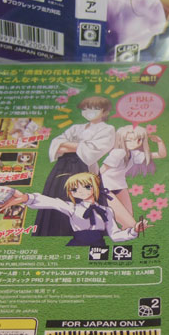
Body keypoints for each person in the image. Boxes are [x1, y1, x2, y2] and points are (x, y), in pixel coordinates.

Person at [0, 172, 148, 246]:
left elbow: (115, 235)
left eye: (86, 187)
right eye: (74, 189)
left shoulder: (107, 211)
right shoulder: (72, 208)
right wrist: (26, 197)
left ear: (94, 187)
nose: (81, 191)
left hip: (99, 248)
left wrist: (134, 231)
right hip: (76, 247)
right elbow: (50, 202)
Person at [36, 96, 115, 236]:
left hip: (84, 167)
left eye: (95, 109)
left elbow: (94, 149)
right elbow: (57, 144)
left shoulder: (107, 129)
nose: (89, 112)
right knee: (58, 196)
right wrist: (77, 146)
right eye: (86, 109)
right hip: (62, 166)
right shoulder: (76, 127)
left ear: (105, 111)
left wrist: (68, 146)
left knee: (83, 197)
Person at [100, 125, 166, 228]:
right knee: (129, 222)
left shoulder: (134, 154)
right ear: (121, 140)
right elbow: (102, 170)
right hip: (105, 187)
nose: (135, 142)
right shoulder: (118, 153)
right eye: (129, 140)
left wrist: (160, 142)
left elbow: (161, 155)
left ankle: (126, 234)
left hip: (120, 185)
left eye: (139, 139)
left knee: (129, 219)